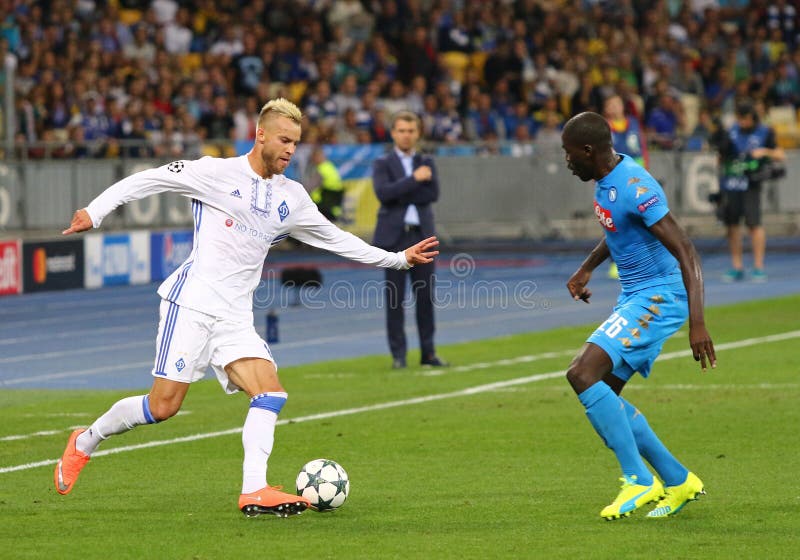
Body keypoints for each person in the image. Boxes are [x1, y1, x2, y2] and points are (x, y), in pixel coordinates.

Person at [54, 98, 439, 518]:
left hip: (236, 316)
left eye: (297, 142)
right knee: (162, 407)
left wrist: (397, 259)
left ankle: (254, 488)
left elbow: (337, 238)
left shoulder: (292, 197)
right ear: (260, 135)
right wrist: (95, 211)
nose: (292, 150)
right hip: (193, 304)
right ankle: (84, 441)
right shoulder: (216, 172)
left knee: (270, 391)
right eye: (285, 140)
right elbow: (149, 180)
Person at [561, 111, 716, 520]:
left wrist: (697, 323)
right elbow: (619, 230)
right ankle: (678, 479)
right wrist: (587, 267)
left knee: (581, 374)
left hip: (659, 297)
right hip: (637, 296)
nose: (567, 161)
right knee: (604, 395)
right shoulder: (606, 183)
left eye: (569, 153)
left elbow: (687, 250)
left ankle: (638, 479)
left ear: (589, 150)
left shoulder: (635, 186)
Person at [372, 111, 447, 369]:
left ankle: (428, 353)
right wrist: (414, 180)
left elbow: (433, 193)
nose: (406, 135)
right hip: (395, 238)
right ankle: (398, 356)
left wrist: (401, 190)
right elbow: (383, 193)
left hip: (421, 236)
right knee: (395, 299)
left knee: (425, 298)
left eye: (411, 130)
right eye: (402, 130)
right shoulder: (383, 163)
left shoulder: (427, 160)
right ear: (393, 133)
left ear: (418, 133)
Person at [711, 102, 785, 282]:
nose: (742, 122)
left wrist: (764, 152)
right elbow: (721, 154)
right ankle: (737, 266)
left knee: (754, 224)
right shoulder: (731, 131)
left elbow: (780, 155)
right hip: (731, 181)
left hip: (751, 183)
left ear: (752, 118)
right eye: (740, 118)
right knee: (733, 225)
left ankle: (758, 267)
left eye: (745, 118)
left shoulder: (765, 132)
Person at [602, 94, 650, 280]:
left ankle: (640, 260)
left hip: (635, 180)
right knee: (614, 223)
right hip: (613, 180)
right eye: (610, 104)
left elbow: (643, 149)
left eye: (616, 103)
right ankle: (615, 263)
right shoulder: (604, 128)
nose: (613, 107)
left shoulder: (634, 123)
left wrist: (645, 174)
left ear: (623, 106)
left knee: (639, 220)